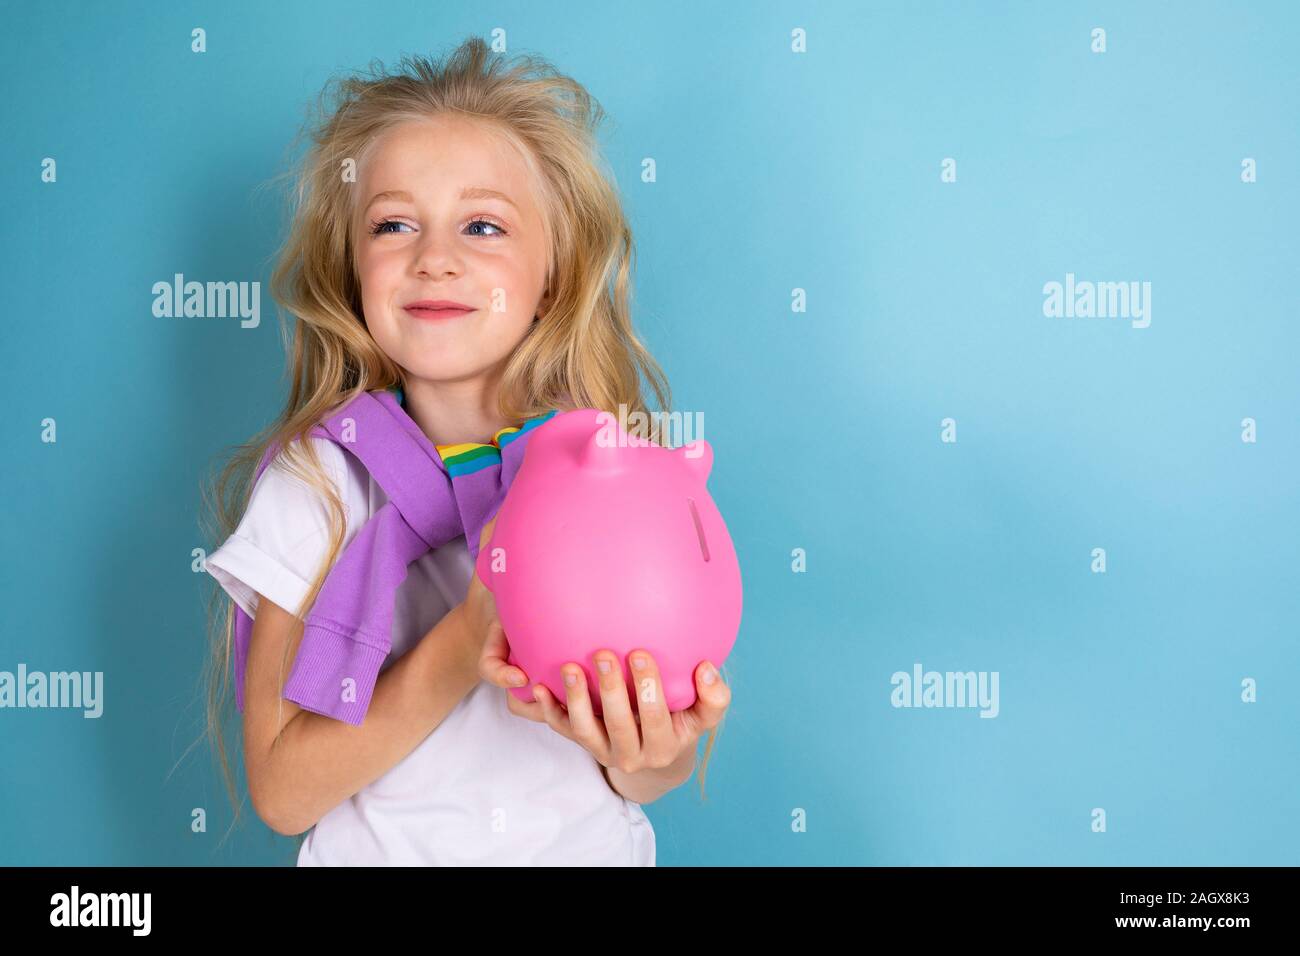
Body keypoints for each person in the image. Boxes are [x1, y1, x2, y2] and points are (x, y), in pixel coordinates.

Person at [197, 38, 730, 866]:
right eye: (393, 223)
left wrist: (655, 745)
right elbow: (281, 791)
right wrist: (468, 636)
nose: (434, 257)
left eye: (482, 225)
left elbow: (642, 776)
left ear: (551, 273)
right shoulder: (319, 487)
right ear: (353, 269)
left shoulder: (609, 478)